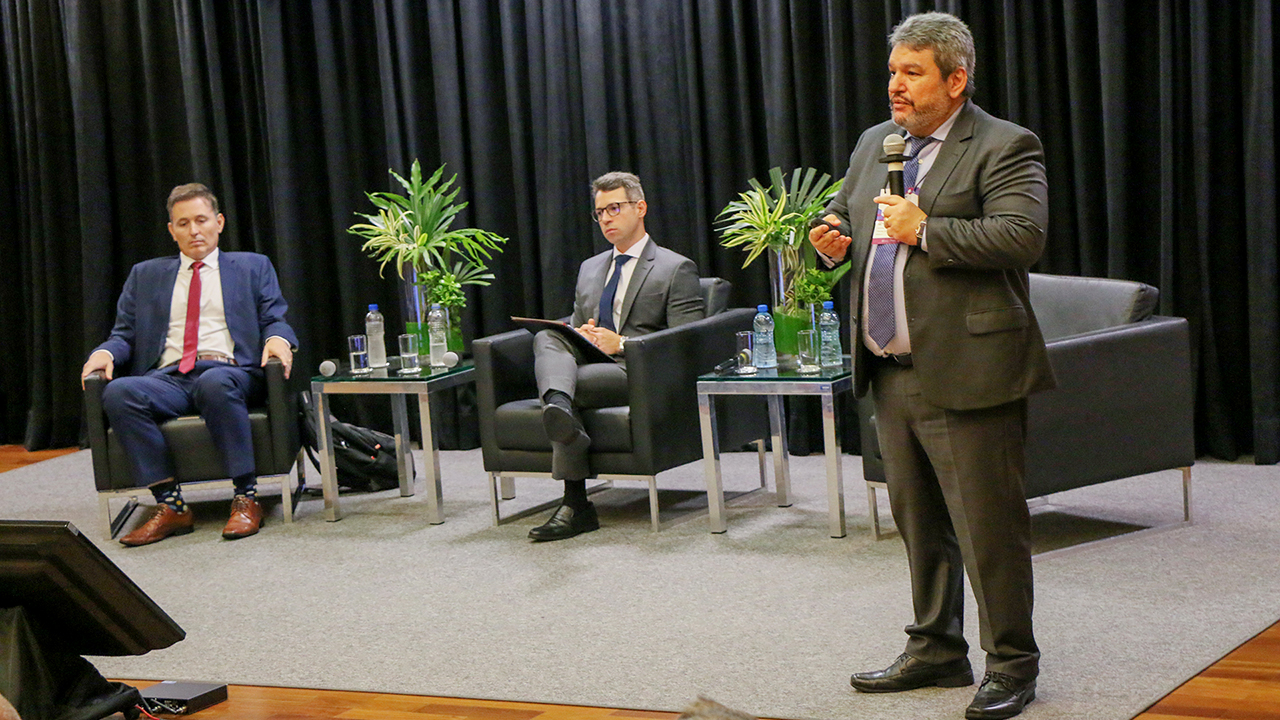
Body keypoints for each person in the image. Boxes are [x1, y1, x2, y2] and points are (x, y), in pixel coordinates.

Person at [808, 12, 1054, 720]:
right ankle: (937, 646)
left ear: (956, 78)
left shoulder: (1005, 145)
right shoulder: (874, 145)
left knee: (989, 527)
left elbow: (1022, 235)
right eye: (893, 71)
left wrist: (928, 230)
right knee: (920, 522)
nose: (896, 86)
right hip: (891, 369)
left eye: (912, 73)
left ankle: (1013, 663)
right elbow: (845, 213)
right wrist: (833, 238)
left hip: (973, 369)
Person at [81, 183, 298, 546]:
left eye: (201, 220)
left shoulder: (251, 267)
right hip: (169, 378)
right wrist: (105, 353)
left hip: (231, 371)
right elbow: (124, 335)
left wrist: (278, 338)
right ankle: (171, 506)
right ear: (172, 230)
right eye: (183, 223)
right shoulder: (145, 275)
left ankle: (246, 498)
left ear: (219, 222)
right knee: (119, 392)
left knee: (214, 383)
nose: (194, 230)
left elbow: (275, 318)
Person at [528, 171, 704, 541]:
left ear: (639, 208)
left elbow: (688, 341)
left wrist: (619, 343)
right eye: (599, 212)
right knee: (548, 335)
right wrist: (582, 335)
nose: (606, 218)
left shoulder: (675, 268)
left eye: (614, 208)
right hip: (586, 364)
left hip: (636, 372)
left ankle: (575, 502)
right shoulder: (590, 268)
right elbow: (575, 327)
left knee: (575, 382)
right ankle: (558, 406)